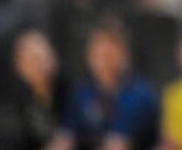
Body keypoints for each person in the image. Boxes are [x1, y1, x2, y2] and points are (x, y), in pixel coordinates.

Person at [50, 18, 160, 150]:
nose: (104, 62)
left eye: (109, 56)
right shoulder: (82, 92)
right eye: (98, 55)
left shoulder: (140, 94)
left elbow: (118, 145)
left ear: (125, 56)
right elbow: (65, 138)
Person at [12, 29, 67, 150]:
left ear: (53, 59)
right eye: (32, 60)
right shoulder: (22, 99)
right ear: (19, 67)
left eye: (43, 58)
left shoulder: (71, 92)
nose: (40, 65)